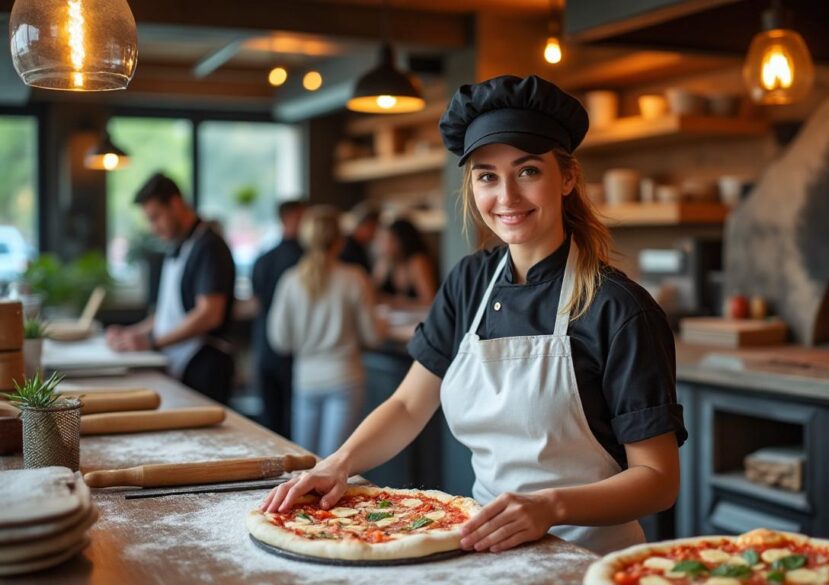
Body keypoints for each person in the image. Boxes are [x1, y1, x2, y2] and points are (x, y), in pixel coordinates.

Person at [261, 75, 686, 555]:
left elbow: (657, 480)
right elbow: (407, 406)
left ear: (566, 177)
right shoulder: (469, 282)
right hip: (483, 543)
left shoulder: (618, 308)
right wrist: (335, 464)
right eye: (487, 175)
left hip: (588, 556)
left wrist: (550, 507)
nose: (506, 196)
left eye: (527, 171)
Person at [107, 173, 236, 404]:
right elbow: (167, 315)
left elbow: (210, 314)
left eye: (155, 217)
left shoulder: (209, 246)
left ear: (175, 204)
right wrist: (132, 333)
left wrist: (154, 343)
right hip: (179, 363)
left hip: (205, 366)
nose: (153, 227)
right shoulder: (178, 246)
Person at [266, 205, 385, 457]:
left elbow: (280, 341)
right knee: (336, 465)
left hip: (305, 380)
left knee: (306, 466)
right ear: (339, 241)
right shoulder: (355, 278)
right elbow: (373, 335)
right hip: (345, 378)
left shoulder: (290, 280)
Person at [250, 199, 307, 438]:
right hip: (292, 348)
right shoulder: (305, 261)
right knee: (292, 424)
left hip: (264, 345)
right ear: (290, 218)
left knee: (270, 423)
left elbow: (256, 301)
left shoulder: (263, 258)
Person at [372, 218, 437, 307]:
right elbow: (370, 295)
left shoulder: (418, 262)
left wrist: (397, 302)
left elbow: (430, 300)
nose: (382, 245)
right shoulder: (385, 263)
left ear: (401, 241)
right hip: (394, 319)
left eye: (386, 240)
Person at [338, 202, 379, 274]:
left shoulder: (362, 247)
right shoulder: (346, 247)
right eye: (374, 228)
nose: (375, 233)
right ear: (365, 224)